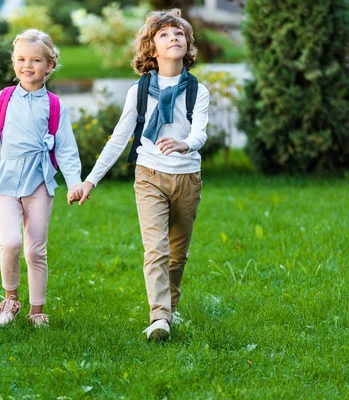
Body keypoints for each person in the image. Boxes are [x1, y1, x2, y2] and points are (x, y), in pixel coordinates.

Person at [72, 9, 210, 341]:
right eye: (164, 34)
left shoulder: (197, 90)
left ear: (188, 44)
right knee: (156, 249)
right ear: (151, 48)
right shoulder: (140, 90)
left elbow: (201, 134)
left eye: (179, 34)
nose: (173, 38)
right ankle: (159, 317)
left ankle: (171, 309)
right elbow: (120, 137)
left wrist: (184, 144)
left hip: (187, 177)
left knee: (178, 254)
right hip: (149, 174)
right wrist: (91, 179)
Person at [0, 29, 83, 328]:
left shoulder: (54, 106)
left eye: (36, 60)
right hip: (7, 181)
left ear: (49, 66)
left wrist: (74, 182)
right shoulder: (2, 100)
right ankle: (10, 299)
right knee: (10, 242)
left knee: (35, 249)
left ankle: (37, 310)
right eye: (21, 59)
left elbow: (66, 150)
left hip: (39, 182)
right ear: (14, 64)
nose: (28, 65)